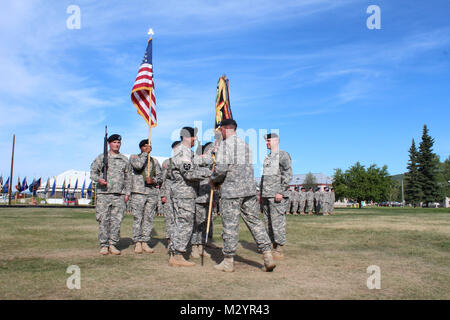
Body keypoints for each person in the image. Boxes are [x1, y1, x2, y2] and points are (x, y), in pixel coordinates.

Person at [210, 119, 275, 273]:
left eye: (220, 130)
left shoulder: (225, 146)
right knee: (255, 222)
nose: (219, 132)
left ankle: (228, 261)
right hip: (249, 191)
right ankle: (267, 255)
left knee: (230, 226)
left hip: (231, 192)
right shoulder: (246, 145)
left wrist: (212, 180)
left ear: (225, 129)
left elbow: (221, 169)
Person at [168, 127, 212, 267]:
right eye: (194, 137)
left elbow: (199, 161)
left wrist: (212, 154)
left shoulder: (188, 153)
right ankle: (177, 255)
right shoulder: (182, 152)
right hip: (183, 193)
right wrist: (209, 173)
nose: (196, 139)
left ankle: (176, 253)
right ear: (187, 137)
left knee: (182, 223)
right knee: (184, 223)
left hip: (186, 193)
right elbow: (189, 174)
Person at [90, 134, 131, 255]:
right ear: (109, 144)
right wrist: (99, 180)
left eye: (118, 143)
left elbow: (128, 178)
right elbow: (93, 173)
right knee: (103, 220)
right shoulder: (102, 158)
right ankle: (104, 245)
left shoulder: (124, 159)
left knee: (116, 221)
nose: (117, 145)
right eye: (114, 142)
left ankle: (113, 244)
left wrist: (127, 193)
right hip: (104, 193)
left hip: (119, 194)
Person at [259, 132, 293, 260]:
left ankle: (279, 248)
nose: (267, 143)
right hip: (266, 195)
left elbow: (287, 174)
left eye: (269, 141)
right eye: (266, 141)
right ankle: (272, 245)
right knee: (268, 222)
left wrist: (281, 191)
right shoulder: (268, 157)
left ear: (276, 141)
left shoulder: (283, 155)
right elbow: (265, 177)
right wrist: (261, 193)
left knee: (277, 221)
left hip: (277, 194)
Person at [129, 139, 162, 254]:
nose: (148, 148)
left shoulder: (154, 161)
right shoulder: (134, 157)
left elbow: (160, 177)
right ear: (141, 148)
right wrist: (144, 154)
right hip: (138, 192)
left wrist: (153, 180)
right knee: (138, 218)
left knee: (148, 218)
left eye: (149, 146)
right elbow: (137, 166)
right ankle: (137, 242)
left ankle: (145, 241)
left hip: (151, 193)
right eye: (145, 146)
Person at [191, 142, 215, 258]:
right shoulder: (196, 160)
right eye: (210, 150)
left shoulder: (213, 163)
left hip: (209, 196)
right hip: (199, 195)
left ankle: (202, 246)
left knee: (207, 222)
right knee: (197, 223)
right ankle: (194, 246)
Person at [160, 141, 181, 247]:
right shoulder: (167, 162)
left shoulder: (187, 162)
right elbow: (162, 180)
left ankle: (179, 241)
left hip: (181, 193)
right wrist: (163, 195)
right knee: (170, 218)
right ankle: (170, 239)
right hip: (169, 192)